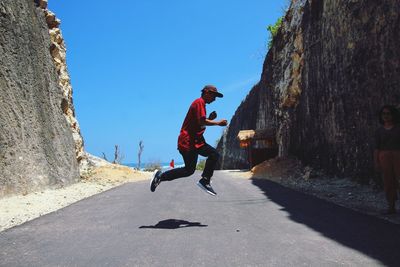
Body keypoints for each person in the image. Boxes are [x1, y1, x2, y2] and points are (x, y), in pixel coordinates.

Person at [150, 85, 228, 195]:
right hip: (189, 142)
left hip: (195, 142)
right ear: (206, 92)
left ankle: (160, 177)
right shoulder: (199, 102)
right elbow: (201, 122)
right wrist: (217, 123)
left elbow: (198, 124)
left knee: (189, 170)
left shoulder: (201, 105)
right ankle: (205, 180)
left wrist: (209, 119)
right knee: (213, 154)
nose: (215, 99)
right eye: (214, 96)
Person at [374, 105, 400, 214]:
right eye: (383, 114)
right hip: (384, 157)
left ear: (393, 115)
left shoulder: (398, 129)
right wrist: (376, 161)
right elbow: (376, 147)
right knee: (388, 182)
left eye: (388, 113)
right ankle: (391, 206)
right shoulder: (379, 131)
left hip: (397, 156)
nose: (386, 116)